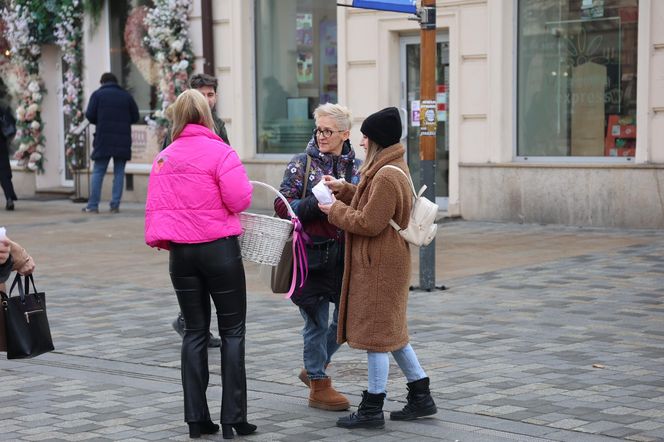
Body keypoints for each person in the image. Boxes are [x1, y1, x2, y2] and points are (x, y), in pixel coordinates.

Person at [144, 89, 256, 440]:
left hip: (182, 254)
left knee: (194, 332)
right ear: (207, 116)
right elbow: (239, 198)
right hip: (219, 249)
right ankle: (233, 419)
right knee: (232, 332)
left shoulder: (163, 158)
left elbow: (156, 206)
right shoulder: (221, 152)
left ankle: (196, 419)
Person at [318, 107, 438, 429]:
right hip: (385, 261)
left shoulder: (385, 174)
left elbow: (370, 222)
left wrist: (335, 211)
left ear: (376, 141)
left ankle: (372, 407)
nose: (360, 142)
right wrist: (346, 190)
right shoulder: (390, 167)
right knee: (391, 333)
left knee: (375, 336)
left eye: (365, 137)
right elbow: (376, 206)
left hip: (380, 265)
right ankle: (421, 394)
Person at [274, 103, 361, 411]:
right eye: (319, 130)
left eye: (328, 131)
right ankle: (317, 382)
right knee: (315, 321)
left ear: (345, 134)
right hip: (311, 256)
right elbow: (283, 206)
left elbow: (364, 207)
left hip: (345, 257)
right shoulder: (302, 163)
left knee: (347, 321)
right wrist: (316, 203)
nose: (322, 136)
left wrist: (345, 198)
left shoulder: (357, 167)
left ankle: (314, 366)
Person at [168, 73, 228, 347]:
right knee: (198, 275)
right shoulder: (176, 126)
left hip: (211, 214)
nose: (207, 99)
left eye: (211, 94)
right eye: (202, 94)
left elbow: (227, 160)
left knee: (207, 275)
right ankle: (192, 322)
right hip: (188, 215)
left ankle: (193, 324)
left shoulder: (219, 125)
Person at [82, 72, 139, 214]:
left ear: (102, 82)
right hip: (123, 139)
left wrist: (100, 120)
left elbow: (89, 115)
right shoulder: (126, 96)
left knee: (98, 171)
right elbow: (135, 116)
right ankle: (115, 205)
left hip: (103, 138)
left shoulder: (97, 95)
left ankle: (93, 205)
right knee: (119, 173)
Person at [0, 79, 17, 211]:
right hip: (1, 143)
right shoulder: (3, 105)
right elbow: (11, 122)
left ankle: (10, 199)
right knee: (4, 172)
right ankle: (9, 198)